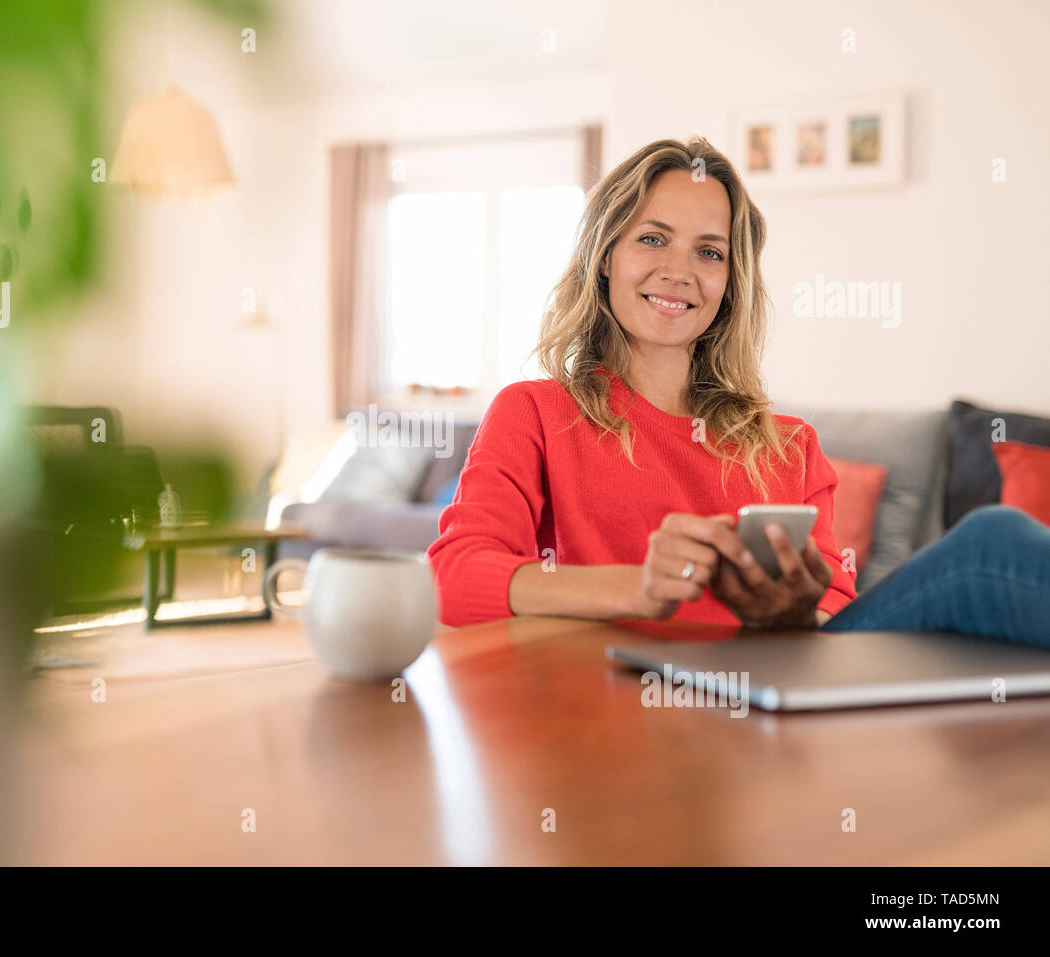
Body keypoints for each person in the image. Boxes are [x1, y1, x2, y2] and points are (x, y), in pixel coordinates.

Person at [426, 136, 1050, 649]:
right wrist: (638, 588)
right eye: (652, 238)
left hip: (781, 689)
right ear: (605, 255)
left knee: (994, 547)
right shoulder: (537, 413)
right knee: (993, 542)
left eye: (709, 252)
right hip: (624, 693)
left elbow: (836, 608)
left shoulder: (792, 447)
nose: (679, 271)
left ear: (729, 282)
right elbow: (454, 577)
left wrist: (793, 614)